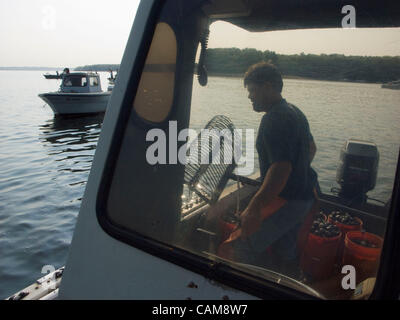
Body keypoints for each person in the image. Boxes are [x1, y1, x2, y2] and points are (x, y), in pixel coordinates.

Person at [218, 62, 318, 273]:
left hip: (286, 201)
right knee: (286, 251)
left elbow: (280, 169)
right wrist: (297, 172)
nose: (249, 96)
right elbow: (311, 149)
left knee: (239, 246)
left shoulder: (273, 119)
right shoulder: (295, 112)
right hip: (305, 198)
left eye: (252, 90)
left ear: (268, 87)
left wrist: (254, 208)